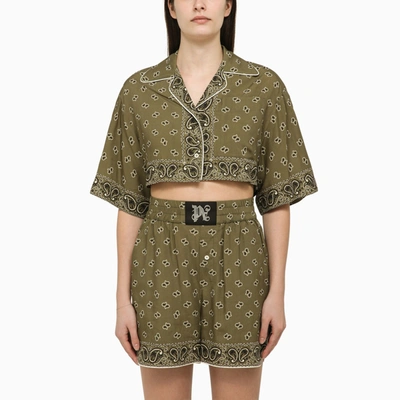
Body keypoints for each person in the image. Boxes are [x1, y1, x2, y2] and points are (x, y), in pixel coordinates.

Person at [90, 1, 318, 399]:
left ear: (228, 6)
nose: (199, 3)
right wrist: (121, 301)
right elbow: (129, 202)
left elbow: (277, 199)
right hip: (160, 254)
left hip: (240, 255)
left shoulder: (263, 86)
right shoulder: (139, 90)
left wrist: (277, 293)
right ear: (170, 7)